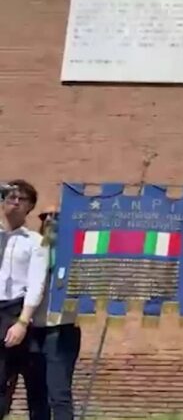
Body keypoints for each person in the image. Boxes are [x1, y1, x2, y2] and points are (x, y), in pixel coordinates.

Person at [13, 206, 82, 420]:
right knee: (36, 395)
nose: (51, 220)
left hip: (61, 329)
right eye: (46, 216)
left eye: (57, 216)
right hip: (32, 330)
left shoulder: (75, 257)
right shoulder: (33, 251)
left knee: (58, 394)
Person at [0, 180, 48, 418]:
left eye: (22, 199)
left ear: (30, 207)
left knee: (10, 377)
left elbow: (36, 284)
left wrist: (21, 321)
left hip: (13, 309)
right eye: (10, 197)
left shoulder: (35, 242)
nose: (15, 202)